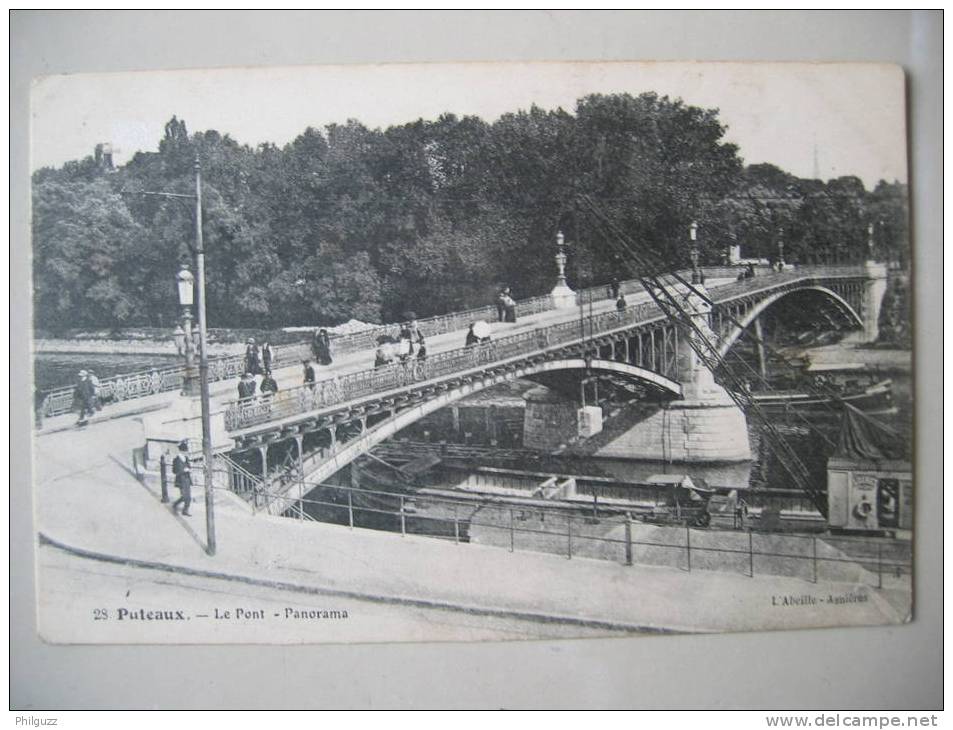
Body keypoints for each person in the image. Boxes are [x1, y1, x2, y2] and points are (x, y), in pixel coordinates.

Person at [171, 441, 192, 517]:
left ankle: (185, 510)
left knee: (189, 497)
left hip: (187, 479)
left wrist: (188, 468)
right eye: (186, 451)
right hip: (180, 480)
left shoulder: (186, 458)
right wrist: (183, 470)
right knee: (184, 496)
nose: (187, 452)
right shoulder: (176, 459)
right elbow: (174, 471)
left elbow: (189, 467)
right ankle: (175, 504)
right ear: (182, 451)